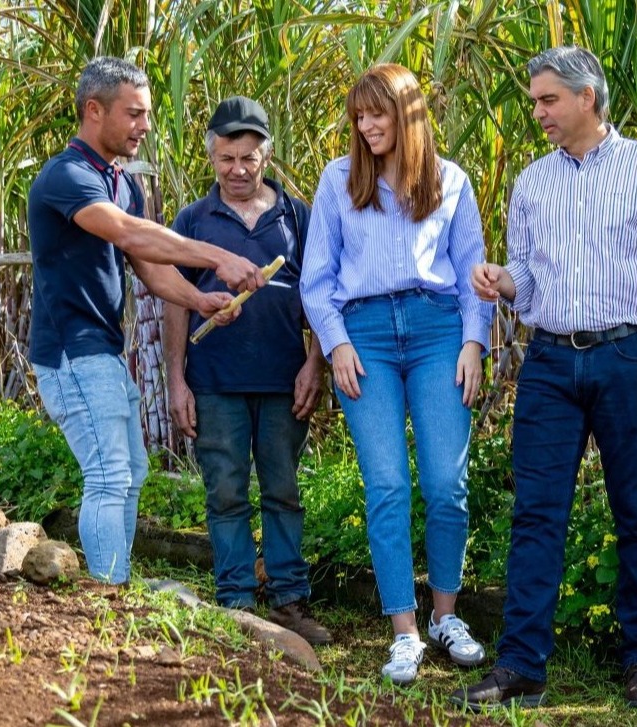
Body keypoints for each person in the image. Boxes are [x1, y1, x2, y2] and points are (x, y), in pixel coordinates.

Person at [452, 46, 637, 711]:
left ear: (587, 97)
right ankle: (523, 666)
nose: (537, 112)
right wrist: (505, 282)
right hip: (551, 360)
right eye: (535, 101)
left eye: (547, 100)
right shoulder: (532, 181)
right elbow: (528, 281)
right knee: (536, 513)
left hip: (630, 357)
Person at [28, 57, 265, 585]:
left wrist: (201, 301)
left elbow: (152, 272)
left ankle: (114, 584)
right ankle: (108, 593)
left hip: (102, 352)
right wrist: (217, 258)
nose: (146, 126)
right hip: (73, 353)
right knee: (110, 474)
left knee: (130, 472)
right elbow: (134, 237)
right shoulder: (67, 177)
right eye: (134, 114)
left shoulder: (121, 183)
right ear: (94, 110)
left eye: (148, 114)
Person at [300, 63, 493, 685]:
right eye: (358, 115)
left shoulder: (450, 181)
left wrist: (473, 344)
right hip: (366, 339)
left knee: (446, 484)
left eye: (376, 113)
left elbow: (474, 275)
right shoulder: (337, 181)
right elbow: (316, 280)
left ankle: (445, 616)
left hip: (438, 331)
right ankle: (404, 632)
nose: (366, 125)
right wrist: (336, 345)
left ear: (407, 115)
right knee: (386, 484)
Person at [162, 96, 330, 645]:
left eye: (248, 159)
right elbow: (175, 302)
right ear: (211, 157)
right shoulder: (192, 221)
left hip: (285, 383)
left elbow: (323, 295)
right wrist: (176, 380)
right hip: (214, 383)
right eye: (226, 159)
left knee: (283, 490)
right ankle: (235, 599)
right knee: (225, 491)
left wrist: (315, 365)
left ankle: (289, 600)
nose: (237, 171)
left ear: (267, 156)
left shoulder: (299, 217)